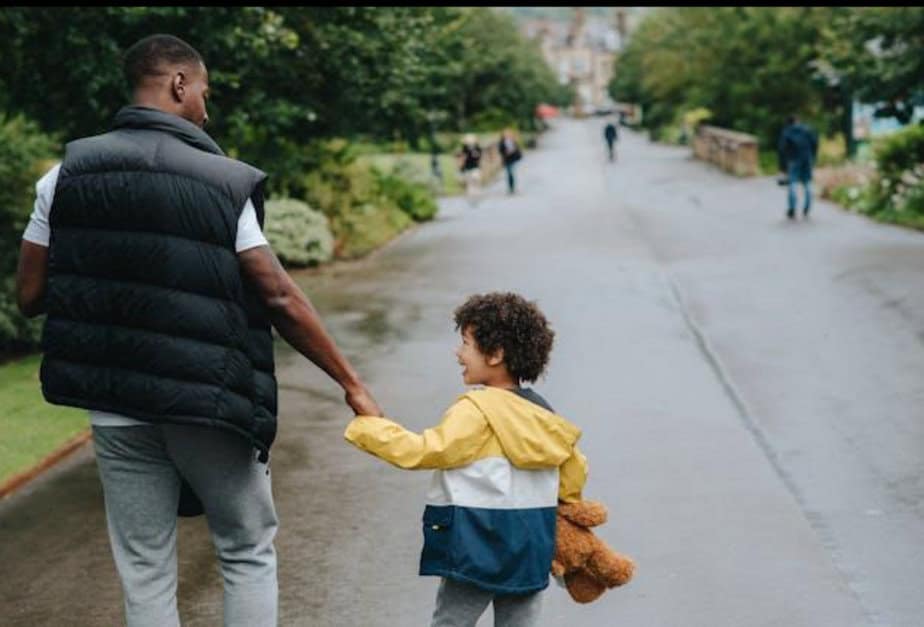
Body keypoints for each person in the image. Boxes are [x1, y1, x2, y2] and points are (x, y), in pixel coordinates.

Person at [15, 34, 381, 627]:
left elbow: (29, 296)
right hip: (205, 402)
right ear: (179, 84)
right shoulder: (220, 181)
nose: (206, 109)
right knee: (245, 547)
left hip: (115, 407)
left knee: (144, 567)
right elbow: (279, 295)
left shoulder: (63, 177)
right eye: (204, 93)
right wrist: (351, 382)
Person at [344, 292, 588, 627]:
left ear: (495, 354)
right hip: (530, 547)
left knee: (451, 622)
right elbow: (574, 473)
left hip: (477, 544)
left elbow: (426, 450)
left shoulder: (476, 410)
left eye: (466, 343)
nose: (458, 353)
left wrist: (370, 426)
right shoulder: (545, 414)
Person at [777, 115, 819, 219]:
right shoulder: (807, 130)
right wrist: (812, 157)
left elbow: (782, 150)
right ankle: (807, 208)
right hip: (807, 159)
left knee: (793, 183)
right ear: (798, 121)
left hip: (793, 160)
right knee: (807, 183)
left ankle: (792, 208)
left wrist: (782, 166)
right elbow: (815, 143)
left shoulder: (787, 132)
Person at [457, 133, 483, 202]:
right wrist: (461, 161)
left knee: (476, 178)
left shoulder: (477, 147)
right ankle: (470, 192)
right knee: (469, 179)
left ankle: (477, 190)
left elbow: (480, 155)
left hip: (475, 165)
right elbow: (461, 156)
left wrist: (477, 156)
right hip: (467, 166)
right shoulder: (464, 148)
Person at [497, 128, 523, 195]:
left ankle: (512, 187)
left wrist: (513, 151)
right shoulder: (502, 142)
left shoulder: (513, 141)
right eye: (505, 134)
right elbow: (500, 150)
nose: (507, 135)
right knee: (509, 173)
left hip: (513, 159)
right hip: (506, 159)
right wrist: (506, 152)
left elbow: (517, 149)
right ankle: (510, 187)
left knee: (511, 172)